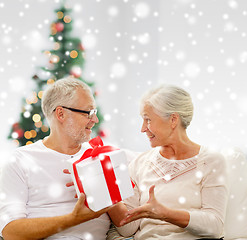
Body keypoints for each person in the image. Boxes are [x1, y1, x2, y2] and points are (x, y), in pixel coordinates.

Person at [0, 77, 123, 240]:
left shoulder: (99, 155)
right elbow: (10, 231)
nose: (95, 120)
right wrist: (74, 219)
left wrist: (104, 188)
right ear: (61, 114)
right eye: (89, 112)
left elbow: (123, 220)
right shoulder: (20, 160)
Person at [114, 85, 228, 240]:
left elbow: (215, 226)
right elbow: (127, 228)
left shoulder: (211, 161)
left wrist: (165, 214)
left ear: (173, 120)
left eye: (148, 120)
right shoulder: (139, 164)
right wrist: (103, 193)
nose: (142, 129)